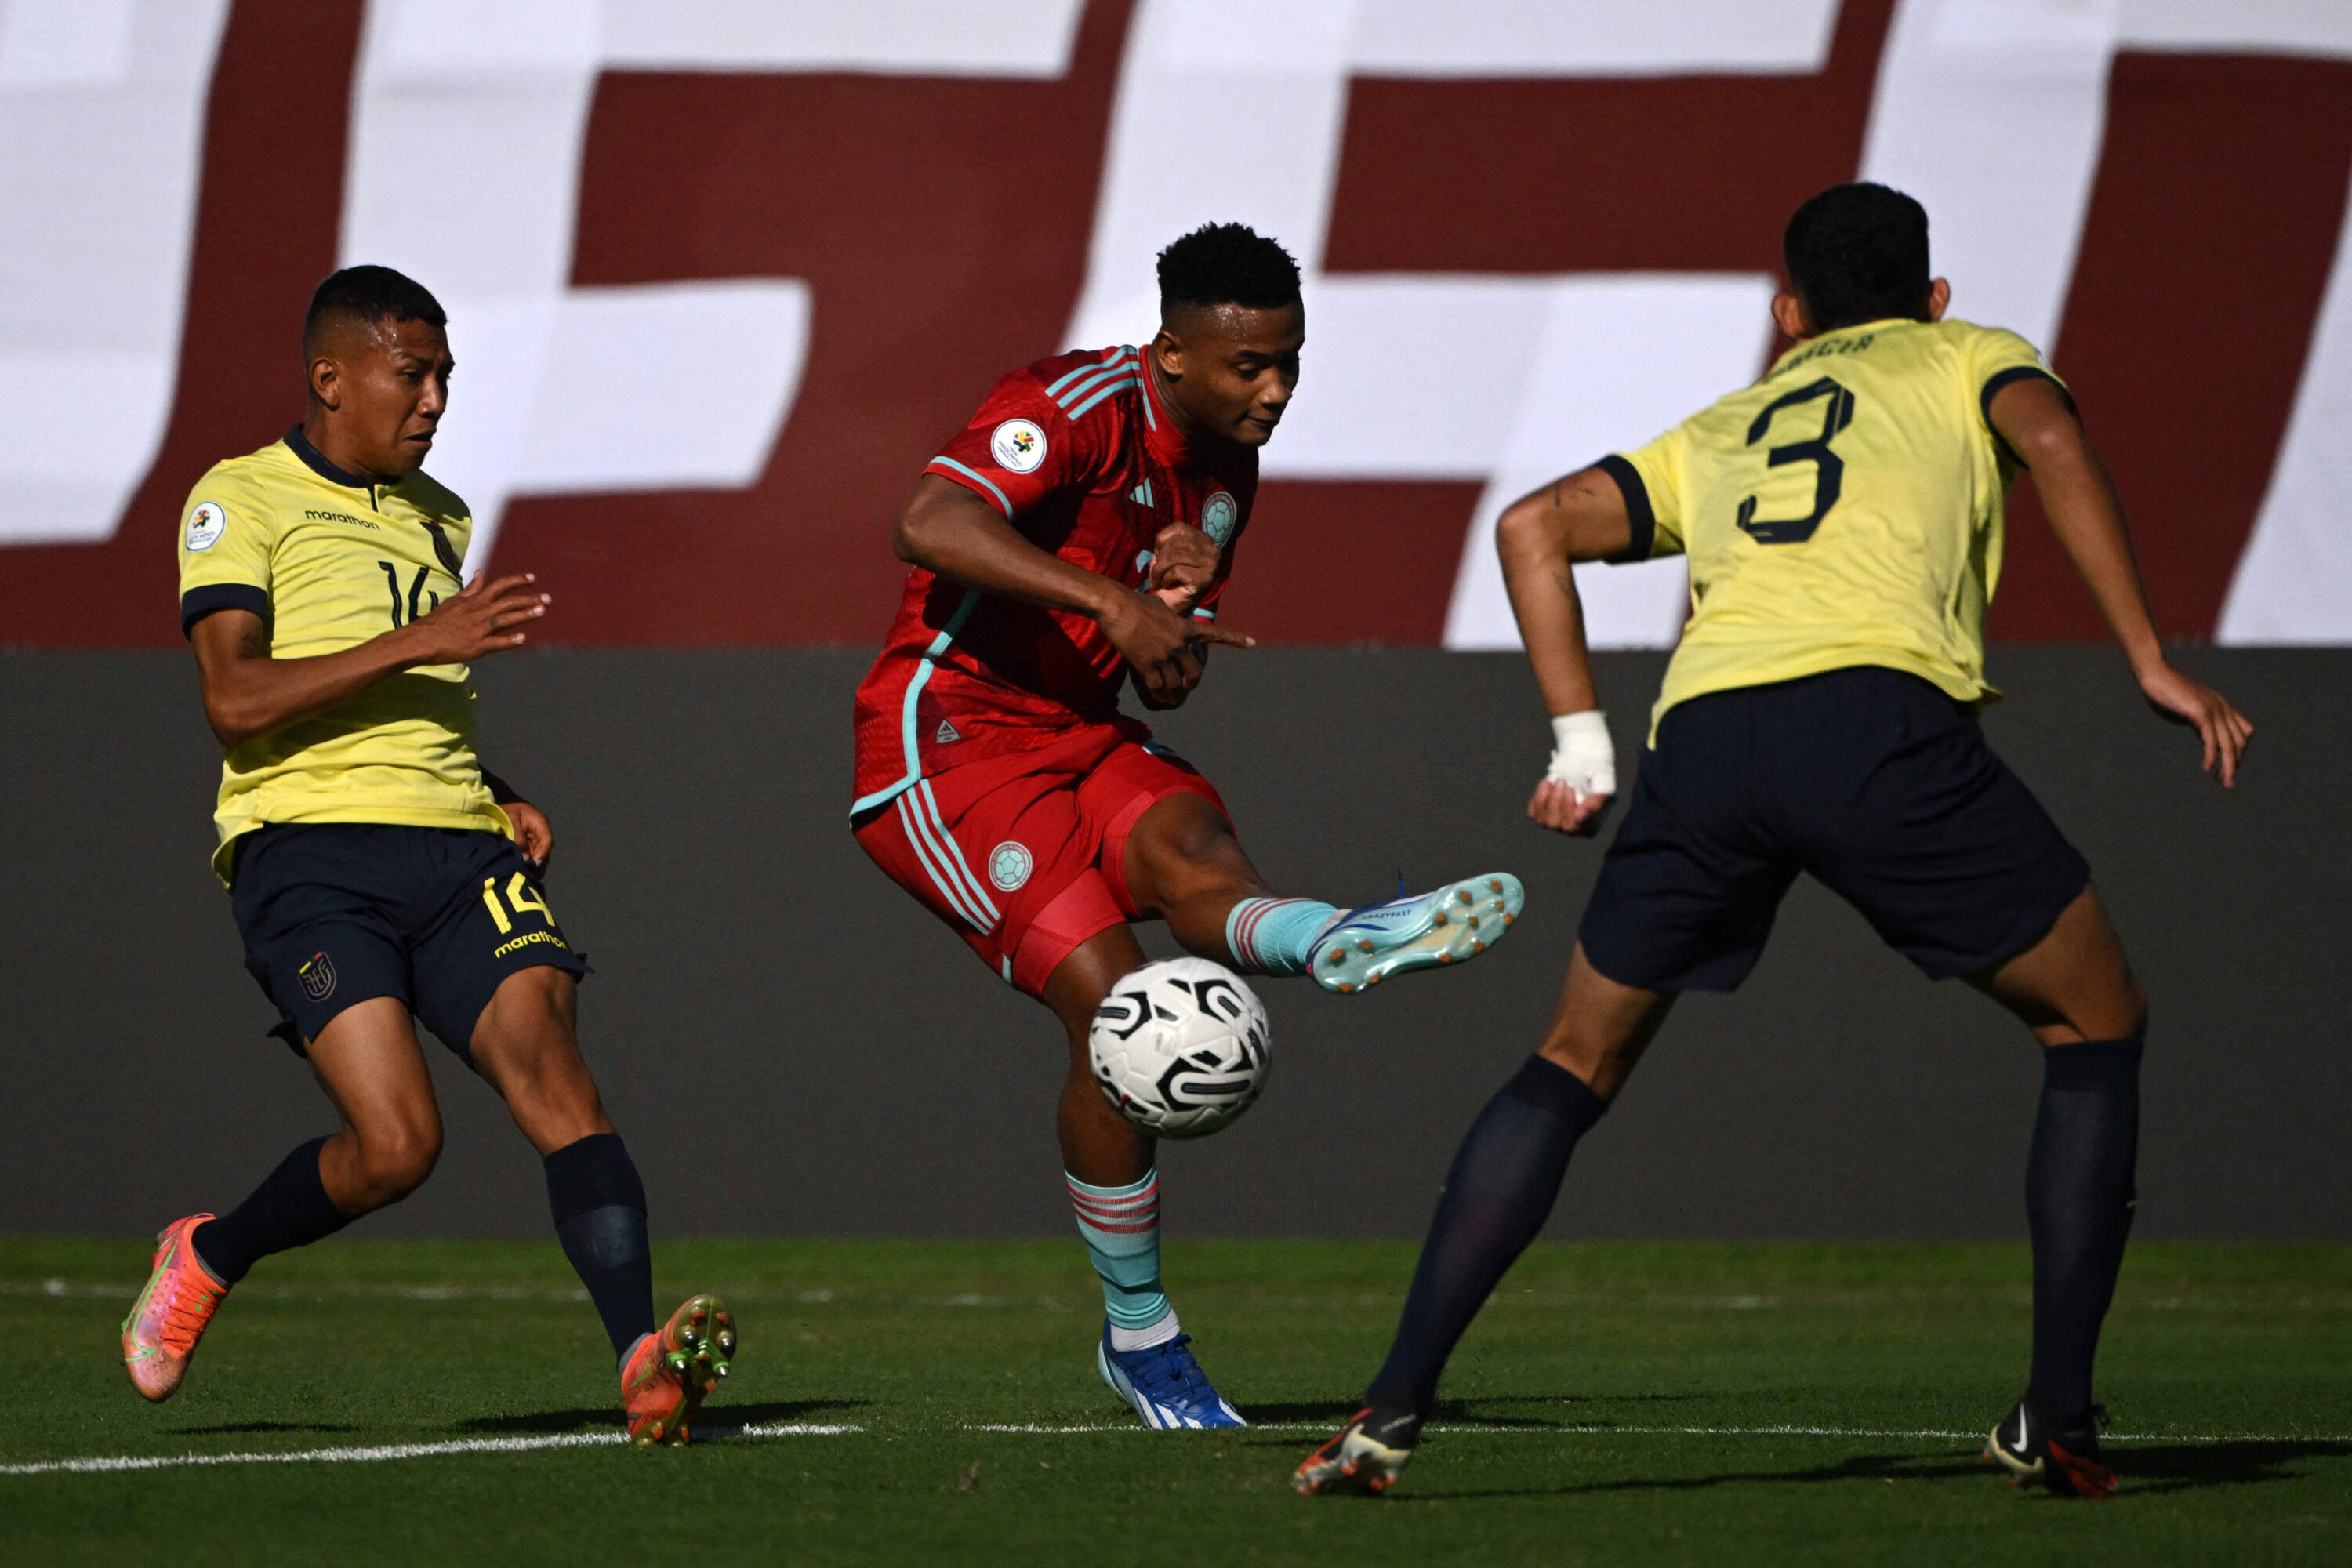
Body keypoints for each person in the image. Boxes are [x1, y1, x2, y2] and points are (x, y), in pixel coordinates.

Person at [1295, 183, 2252, 1497]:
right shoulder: (1977, 358)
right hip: (1872, 720)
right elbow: (2059, 445)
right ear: (1934, 298)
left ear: (1787, 316)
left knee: (1571, 1060)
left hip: (1710, 738)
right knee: (2096, 1023)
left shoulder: (1733, 421)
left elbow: (1530, 528)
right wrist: (2149, 657)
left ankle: (1385, 1413)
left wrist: (1583, 745)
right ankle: (2058, 1417)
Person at [851, 223, 1523, 1430]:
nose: (1274, 390)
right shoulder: (1073, 405)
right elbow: (928, 522)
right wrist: (1116, 594)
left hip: (1078, 727)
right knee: (1122, 1016)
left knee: (1196, 858)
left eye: (1289, 361)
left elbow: (1160, 674)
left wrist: (1166, 625)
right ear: (1172, 353)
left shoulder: (1225, 478)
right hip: (946, 743)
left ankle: (1329, 941)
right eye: (1248, 365)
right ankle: (1143, 1337)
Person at [125, 266, 735, 1446]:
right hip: (310, 856)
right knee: (398, 1148)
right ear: (331, 377)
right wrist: (427, 635)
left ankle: (641, 1363)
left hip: (458, 852)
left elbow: (415, 705)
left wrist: (497, 790)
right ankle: (209, 1252)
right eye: (413, 374)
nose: (436, 399)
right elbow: (236, 698)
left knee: (558, 1075)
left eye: (446, 376)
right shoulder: (239, 497)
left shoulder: (439, 514)